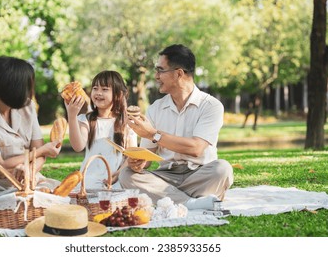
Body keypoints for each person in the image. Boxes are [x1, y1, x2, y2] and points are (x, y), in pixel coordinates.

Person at [119, 44, 234, 210]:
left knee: (222, 169)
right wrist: (139, 162)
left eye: (160, 70)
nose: (156, 76)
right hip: (166, 176)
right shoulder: (155, 108)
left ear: (179, 73)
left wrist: (153, 134)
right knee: (127, 175)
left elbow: (196, 148)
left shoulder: (211, 106)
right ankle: (192, 202)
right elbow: (148, 155)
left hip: (199, 174)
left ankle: (168, 198)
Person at [0, 56, 62, 218]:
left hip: (30, 182)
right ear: (12, 88)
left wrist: (30, 171)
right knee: (22, 211)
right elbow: (0, 168)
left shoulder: (28, 106)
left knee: (63, 198)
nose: (29, 92)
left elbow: (41, 154)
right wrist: (39, 152)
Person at [64, 70, 137, 189]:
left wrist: (118, 174)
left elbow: (132, 156)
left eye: (104, 89)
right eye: (95, 88)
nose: (98, 93)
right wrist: (71, 116)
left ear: (118, 94)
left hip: (117, 177)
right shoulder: (86, 119)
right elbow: (78, 146)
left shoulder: (127, 123)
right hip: (89, 178)